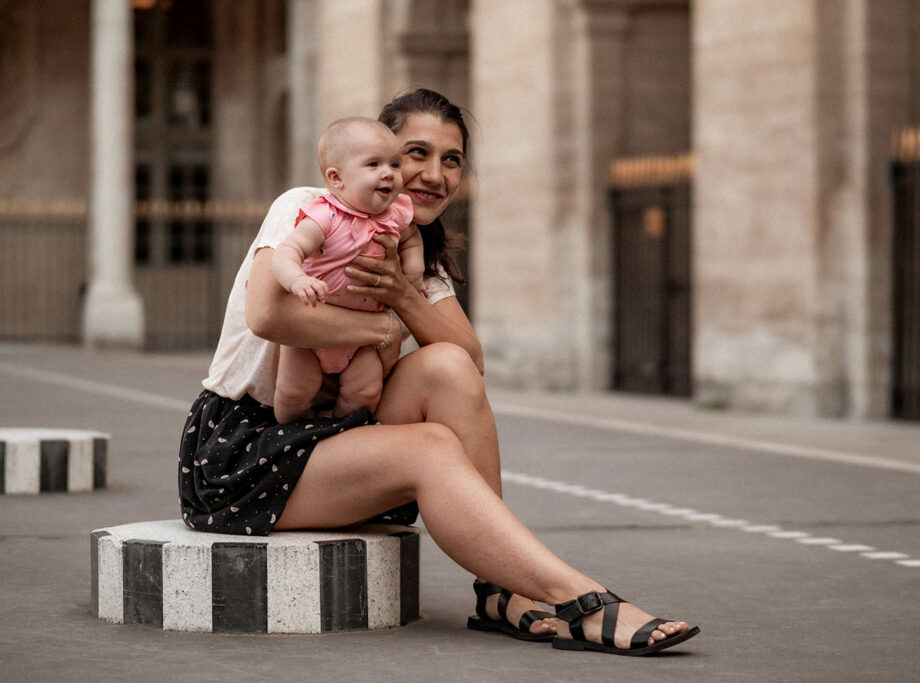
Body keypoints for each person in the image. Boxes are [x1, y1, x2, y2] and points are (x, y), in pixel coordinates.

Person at [178, 88, 699, 656]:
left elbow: (468, 364)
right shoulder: (309, 207)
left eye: (451, 159)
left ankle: (504, 593)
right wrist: (379, 331)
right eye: (414, 154)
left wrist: (406, 296)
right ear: (368, 160)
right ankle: (581, 599)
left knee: (447, 366)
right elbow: (268, 312)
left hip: (337, 435)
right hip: (246, 449)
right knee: (429, 447)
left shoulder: (412, 250)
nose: (431, 174)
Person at [272, 117, 423, 423]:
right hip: (314, 325)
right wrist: (297, 280)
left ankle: (336, 429)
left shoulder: (396, 214)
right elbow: (287, 251)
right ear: (336, 178)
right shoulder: (325, 215)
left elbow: (411, 239)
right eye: (374, 164)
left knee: (365, 391)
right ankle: (290, 432)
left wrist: (414, 269)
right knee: (295, 391)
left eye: (395, 164)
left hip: (361, 332)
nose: (389, 174)